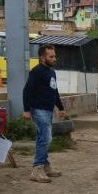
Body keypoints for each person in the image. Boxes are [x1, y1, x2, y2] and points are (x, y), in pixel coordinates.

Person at [23, 44, 66, 183]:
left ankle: (46, 165)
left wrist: (61, 108)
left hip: (48, 110)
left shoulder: (51, 72)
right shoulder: (37, 71)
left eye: (55, 56)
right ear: (42, 57)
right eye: (51, 56)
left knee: (43, 138)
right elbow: (27, 90)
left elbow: (54, 91)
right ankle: (37, 168)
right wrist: (26, 109)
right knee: (46, 138)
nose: (54, 59)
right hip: (39, 109)